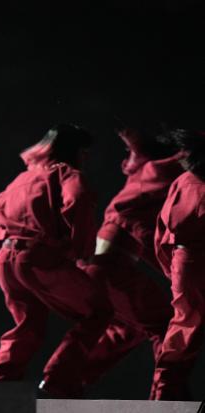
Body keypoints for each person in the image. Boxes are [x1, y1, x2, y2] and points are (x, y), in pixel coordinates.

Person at [0, 124, 110, 397]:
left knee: (27, 324)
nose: (86, 159)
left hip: (7, 259)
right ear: (75, 152)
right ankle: (58, 381)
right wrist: (80, 250)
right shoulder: (67, 173)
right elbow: (77, 200)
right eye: (84, 153)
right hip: (38, 258)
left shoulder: (22, 178)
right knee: (98, 311)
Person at [81, 127, 182, 388]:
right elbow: (143, 233)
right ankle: (167, 395)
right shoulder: (152, 179)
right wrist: (175, 272)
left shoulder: (141, 181)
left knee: (130, 328)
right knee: (164, 325)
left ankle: (70, 379)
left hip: (98, 268)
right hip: (110, 269)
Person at [150, 129, 205, 400]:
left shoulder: (183, 181)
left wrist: (173, 271)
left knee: (184, 326)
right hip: (195, 259)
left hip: (183, 260)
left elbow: (161, 235)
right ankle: (165, 392)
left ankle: (164, 391)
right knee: (186, 327)